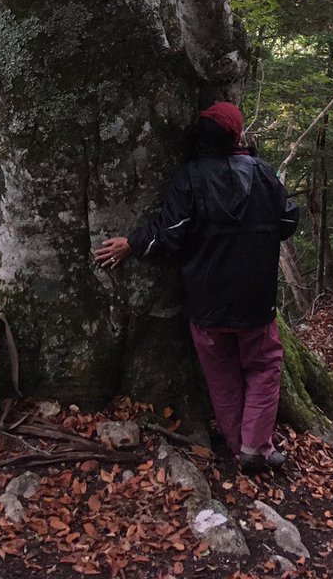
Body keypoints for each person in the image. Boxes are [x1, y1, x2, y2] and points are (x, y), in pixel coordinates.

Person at [94, 101, 299, 470]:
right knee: (264, 367)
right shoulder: (264, 175)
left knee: (221, 375)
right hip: (256, 301)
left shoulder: (189, 177)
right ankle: (255, 447)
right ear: (236, 134)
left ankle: (240, 446)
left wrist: (132, 244)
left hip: (206, 304)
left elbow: (170, 233)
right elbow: (288, 220)